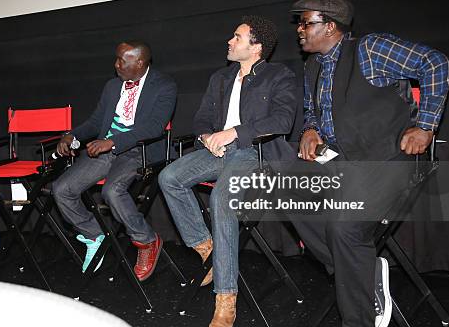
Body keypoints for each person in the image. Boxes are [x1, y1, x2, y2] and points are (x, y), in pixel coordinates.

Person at [290, 0, 449, 327]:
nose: (300, 30)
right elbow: (311, 111)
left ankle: (359, 317)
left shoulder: (370, 49)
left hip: (387, 157)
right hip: (340, 158)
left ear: (330, 26)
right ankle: (362, 271)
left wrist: (425, 126)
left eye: (307, 23)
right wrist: (309, 129)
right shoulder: (312, 66)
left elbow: (436, 63)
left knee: (344, 226)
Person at [158, 16, 297, 327]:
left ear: (256, 46)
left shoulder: (279, 76)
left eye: (237, 37)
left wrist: (234, 132)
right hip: (218, 151)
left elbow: (282, 121)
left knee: (221, 199)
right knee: (168, 178)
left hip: (254, 153)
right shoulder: (220, 78)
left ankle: (225, 300)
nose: (230, 42)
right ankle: (208, 250)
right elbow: (201, 119)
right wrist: (207, 137)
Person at [51, 41, 176, 281]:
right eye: (116, 59)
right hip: (106, 149)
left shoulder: (164, 86)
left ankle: (146, 240)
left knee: (113, 190)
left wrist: (114, 142)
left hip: (139, 150)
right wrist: (73, 135)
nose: (116, 64)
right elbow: (97, 121)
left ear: (139, 62)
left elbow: (154, 127)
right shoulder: (112, 86)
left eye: (121, 60)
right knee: (62, 189)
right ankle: (94, 235)